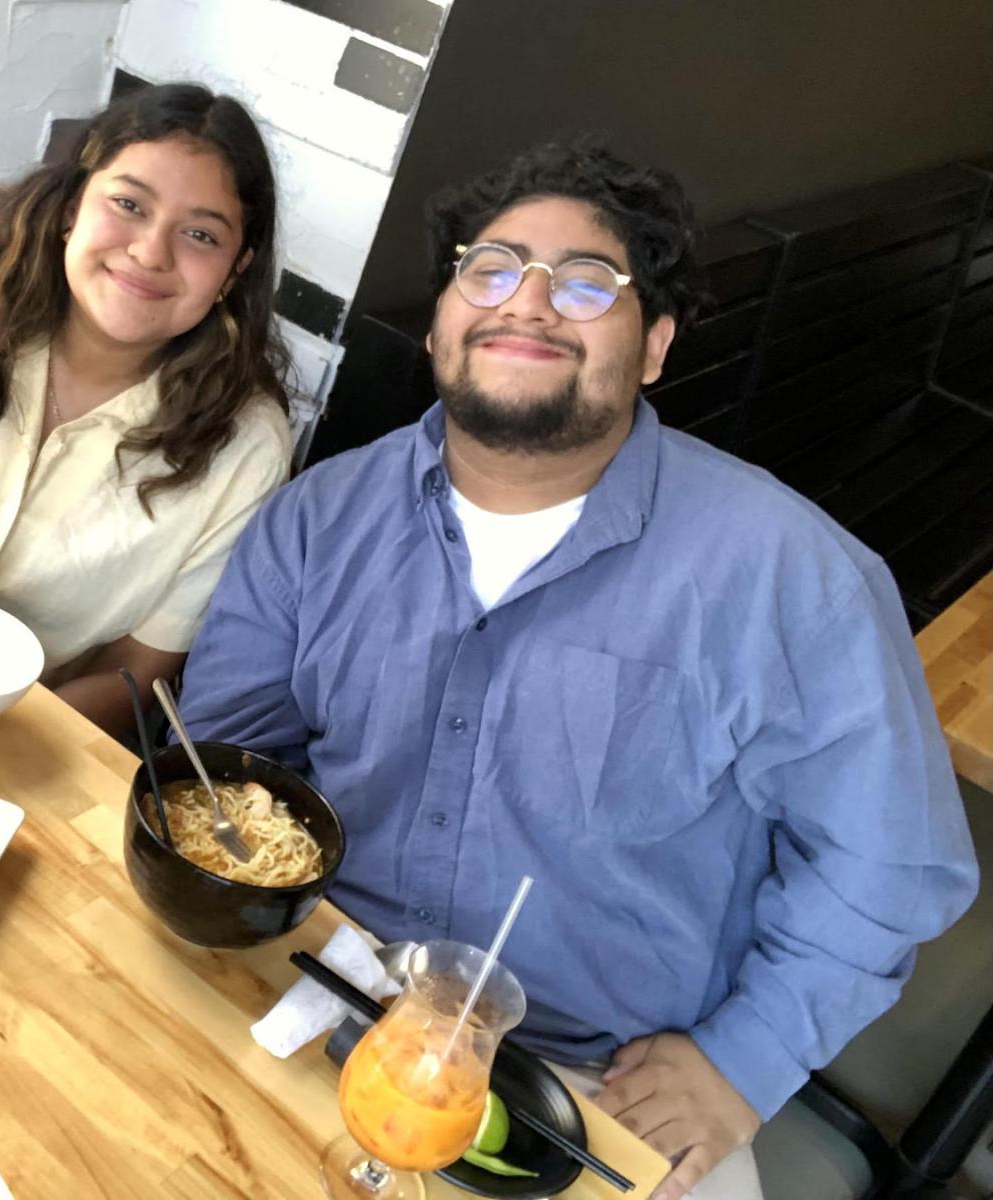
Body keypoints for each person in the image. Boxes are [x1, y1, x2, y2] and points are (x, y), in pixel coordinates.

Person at [177, 142, 978, 1199]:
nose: (529, 303)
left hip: (599, 1079)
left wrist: (742, 1063)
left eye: (587, 282)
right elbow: (230, 761)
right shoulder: (318, 520)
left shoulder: (794, 578)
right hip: (325, 983)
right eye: (491, 268)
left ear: (652, 346)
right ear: (438, 322)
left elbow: (885, 869)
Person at [0, 82, 293, 738]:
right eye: (128, 204)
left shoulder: (245, 445)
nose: (151, 252)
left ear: (235, 270)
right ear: (71, 206)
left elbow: (138, 668)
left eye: (200, 234)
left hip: (16, 742)